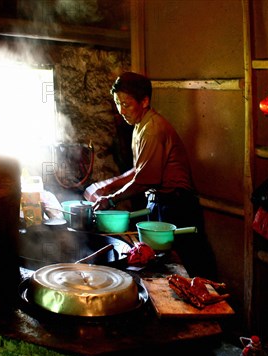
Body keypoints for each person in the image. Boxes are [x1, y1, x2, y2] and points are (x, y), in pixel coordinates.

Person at [84, 72, 215, 279]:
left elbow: (146, 179)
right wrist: (108, 185)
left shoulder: (152, 129)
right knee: (166, 264)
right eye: (117, 103)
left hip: (176, 206)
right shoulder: (140, 126)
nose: (122, 110)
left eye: (126, 104)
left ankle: (211, 307)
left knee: (189, 267)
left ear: (144, 101)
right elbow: (139, 170)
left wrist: (111, 199)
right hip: (162, 202)